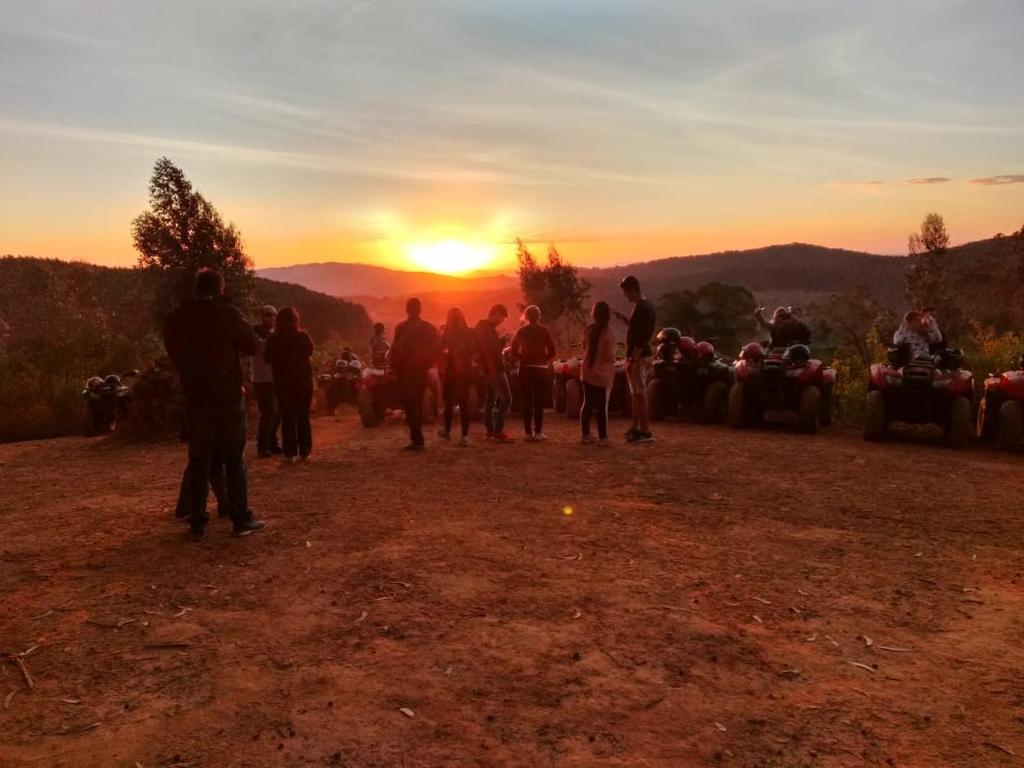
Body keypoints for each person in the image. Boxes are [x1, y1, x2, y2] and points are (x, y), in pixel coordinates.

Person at [163, 268, 264, 539]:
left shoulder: (175, 318)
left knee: (199, 460)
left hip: (195, 398)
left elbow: (173, 352)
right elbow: (253, 346)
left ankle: (197, 520)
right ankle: (240, 518)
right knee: (234, 459)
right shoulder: (228, 314)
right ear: (220, 288)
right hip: (228, 397)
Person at [264, 306, 314, 462]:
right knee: (303, 416)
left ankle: (290, 453)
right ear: (295, 320)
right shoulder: (303, 337)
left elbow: (267, 358)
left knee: (287, 417)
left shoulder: (273, 339)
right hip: (303, 382)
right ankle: (305, 450)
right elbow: (310, 352)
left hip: (282, 384)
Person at [390, 297, 441, 450]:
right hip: (421, 371)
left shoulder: (401, 328)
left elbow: (396, 351)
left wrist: (395, 369)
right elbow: (437, 349)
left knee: (410, 405)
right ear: (420, 309)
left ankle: (417, 439)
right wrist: (427, 363)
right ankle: (418, 439)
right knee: (417, 403)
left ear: (407, 309)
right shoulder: (429, 328)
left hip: (405, 372)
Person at [613, 276, 656, 443]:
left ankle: (645, 430)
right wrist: (623, 318)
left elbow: (643, 336)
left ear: (632, 290)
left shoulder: (643, 308)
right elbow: (636, 328)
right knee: (636, 392)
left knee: (640, 393)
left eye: (626, 292)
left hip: (639, 355)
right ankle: (636, 425)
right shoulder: (642, 307)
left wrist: (634, 358)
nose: (625, 296)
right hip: (637, 355)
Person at [510, 305, 556, 441]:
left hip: (525, 369)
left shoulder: (521, 331)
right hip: (540, 369)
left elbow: (513, 352)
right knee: (539, 401)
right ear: (539, 316)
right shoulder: (544, 331)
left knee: (527, 400)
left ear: (526, 317)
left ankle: (527, 432)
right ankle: (538, 432)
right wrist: (543, 360)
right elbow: (552, 351)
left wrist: (523, 359)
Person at [438, 307, 479, 446]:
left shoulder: (447, 332)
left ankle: (447, 431)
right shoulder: (469, 332)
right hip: (466, 370)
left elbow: (441, 348)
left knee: (449, 403)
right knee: (463, 404)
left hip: (451, 370)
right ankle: (464, 437)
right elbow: (475, 349)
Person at [475, 304, 514, 443]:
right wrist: (502, 341)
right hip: (495, 370)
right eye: (502, 318)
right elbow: (491, 350)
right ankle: (497, 431)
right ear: (496, 314)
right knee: (506, 399)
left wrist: (501, 341)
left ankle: (491, 431)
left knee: (490, 400)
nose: (501, 321)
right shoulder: (485, 329)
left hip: (489, 370)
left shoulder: (484, 328)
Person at [580, 301, 617, 446]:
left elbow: (584, 347)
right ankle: (603, 437)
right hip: (602, 373)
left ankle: (586, 435)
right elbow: (610, 356)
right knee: (602, 407)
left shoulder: (588, 330)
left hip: (588, 371)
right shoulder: (609, 333)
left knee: (587, 404)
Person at [251, 305, 282, 457]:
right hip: (261, 378)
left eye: (274, 315)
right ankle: (262, 447)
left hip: (274, 377)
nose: (271, 317)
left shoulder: (275, 333)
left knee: (277, 412)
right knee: (269, 413)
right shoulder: (255, 332)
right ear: (261, 316)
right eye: (268, 314)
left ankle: (272, 443)